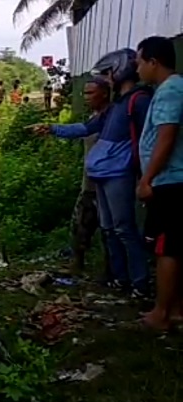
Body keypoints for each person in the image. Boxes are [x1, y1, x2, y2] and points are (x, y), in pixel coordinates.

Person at [32, 48, 151, 298]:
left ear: (120, 71)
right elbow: (85, 128)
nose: (107, 80)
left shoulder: (137, 101)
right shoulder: (115, 107)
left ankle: (140, 283)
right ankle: (120, 279)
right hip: (103, 175)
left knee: (124, 228)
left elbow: (149, 138)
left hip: (119, 174)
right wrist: (53, 128)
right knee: (109, 229)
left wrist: (146, 175)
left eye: (108, 74)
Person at [135, 36, 183, 330]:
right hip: (173, 179)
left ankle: (161, 313)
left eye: (140, 62)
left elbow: (166, 136)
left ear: (154, 62)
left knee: (167, 248)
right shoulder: (173, 88)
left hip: (170, 181)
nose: (138, 69)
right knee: (177, 247)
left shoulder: (169, 91)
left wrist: (147, 178)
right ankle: (176, 311)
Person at [69, 77, 112, 277]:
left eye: (90, 93)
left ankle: (110, 272)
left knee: (109, 230)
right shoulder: (93, 119)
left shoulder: (111, 120)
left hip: (107, 184)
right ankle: (78, 266)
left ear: (104, 93)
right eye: (84, 93)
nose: (85, 97)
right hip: (89, 184)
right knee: (79, 227)